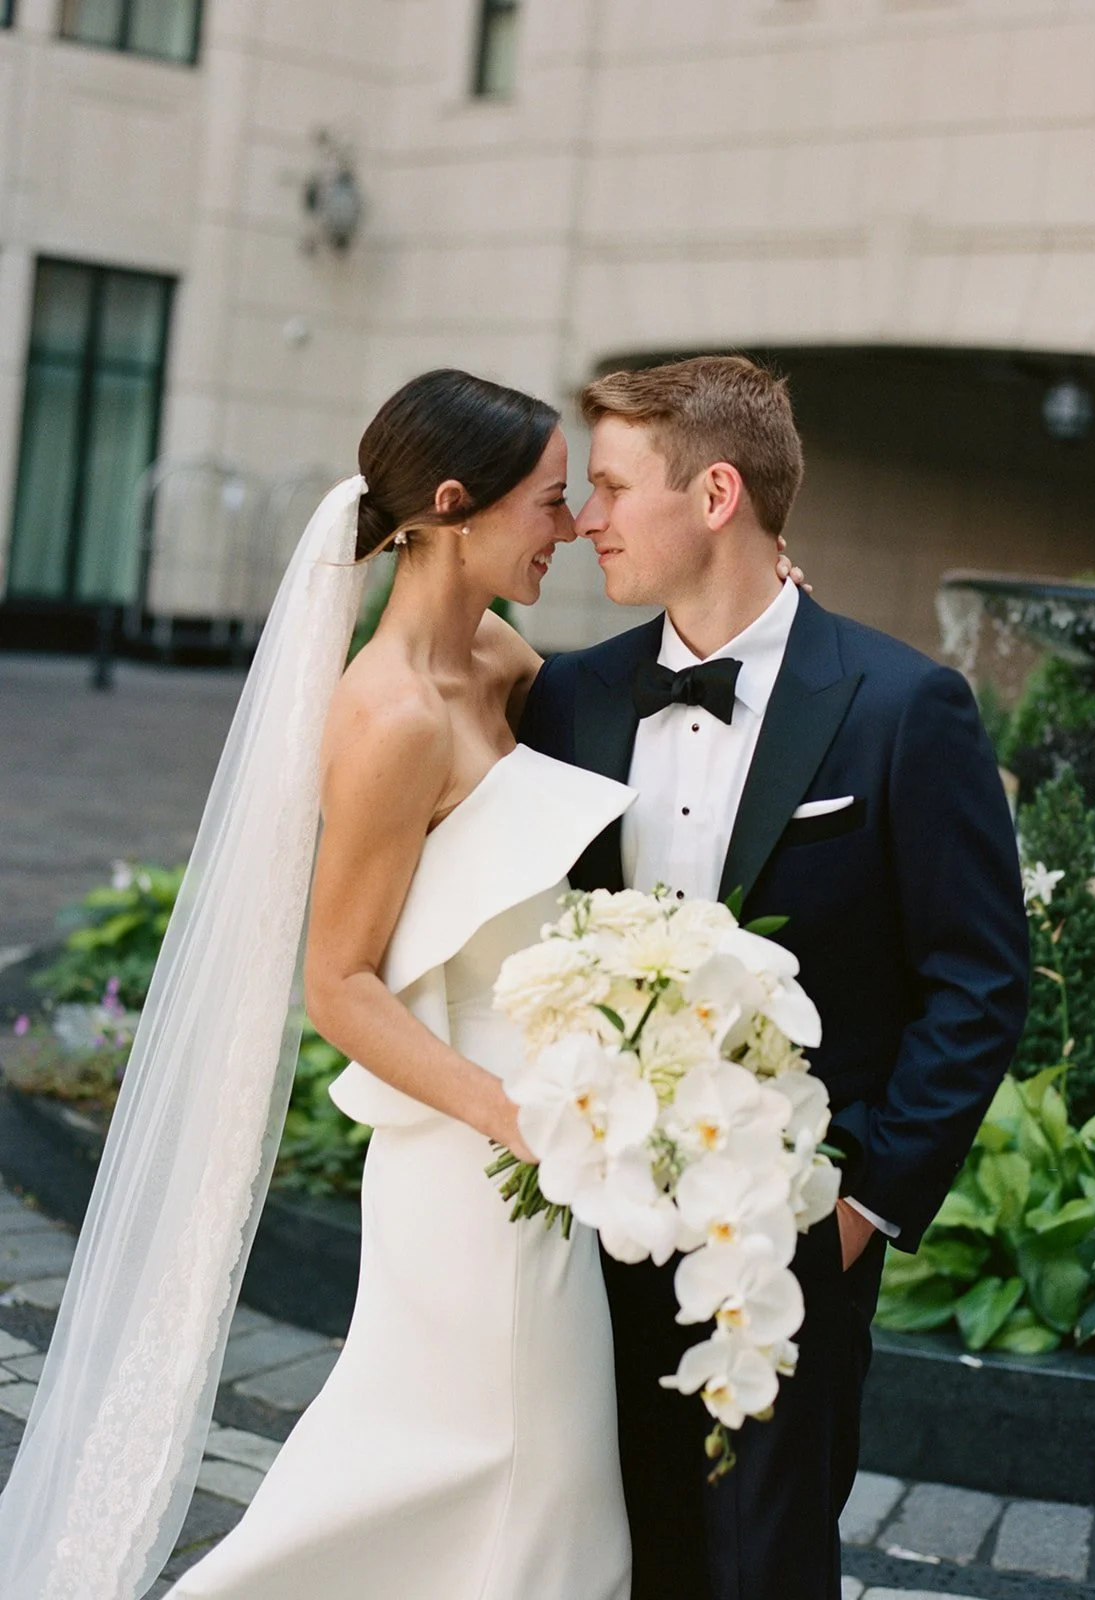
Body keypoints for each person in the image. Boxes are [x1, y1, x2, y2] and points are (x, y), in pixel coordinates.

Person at [0, 366, 809, 1600]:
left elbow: (625, 701)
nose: (574, 528)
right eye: (550, 500)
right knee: (508, 1486)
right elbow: (340, 983)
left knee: (516, 1495)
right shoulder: (387, 719)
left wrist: (768, 612)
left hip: (537, 1145)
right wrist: (518, 1119)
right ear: (451, 503)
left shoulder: (494, 655)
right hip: (468, 1157)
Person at [519, 354, 1031, 1600]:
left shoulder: (905, 707)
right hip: (589, 1236)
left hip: (791, 1240)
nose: (586, 519)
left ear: (713, 496)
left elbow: (977, 977)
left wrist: (860, 1208)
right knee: (604, 1555)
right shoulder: (570, 699)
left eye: (611, 488)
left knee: (761, 1569)